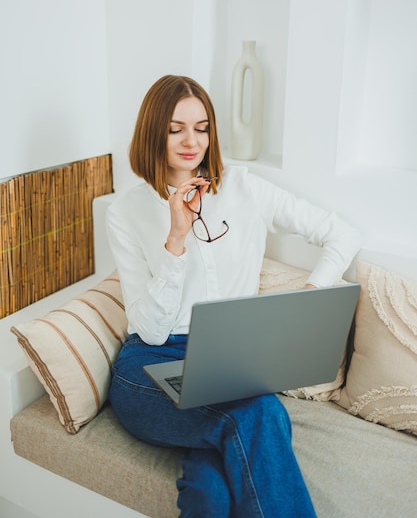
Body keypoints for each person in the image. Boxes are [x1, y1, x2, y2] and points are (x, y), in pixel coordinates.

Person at [106, 74, 361, 518]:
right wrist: (176, 239)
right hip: (150, 363)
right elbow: (149, 328)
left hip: (229, 360)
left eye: (202, 127)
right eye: (175, 128)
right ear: (153, 131)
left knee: (214, 485)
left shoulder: (246, 188)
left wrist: (311, 292)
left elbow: (342, 234)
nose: (192, 141)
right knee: (259, 415)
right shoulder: (125, 211)